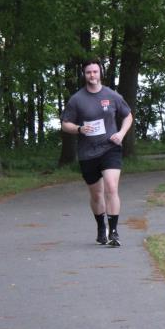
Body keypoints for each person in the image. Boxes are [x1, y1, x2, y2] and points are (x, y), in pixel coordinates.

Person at [61, 59, 133, 247]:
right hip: (88, 153)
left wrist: (121, 133)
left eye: (95, 71)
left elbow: (128, 115)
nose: (92, 75)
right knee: (96, 195)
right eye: (88, 72)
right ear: (84, 75)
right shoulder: (77, 99)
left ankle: (114, 232)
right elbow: (65, 124)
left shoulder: (112, 95)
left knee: (111, 187)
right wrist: (79, 129)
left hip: (110, 148)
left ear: (100, 73)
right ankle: (102, 228)